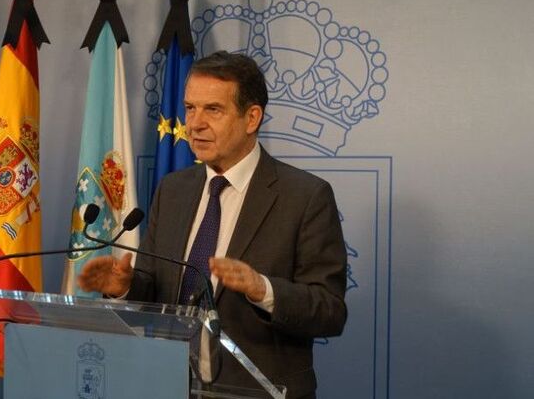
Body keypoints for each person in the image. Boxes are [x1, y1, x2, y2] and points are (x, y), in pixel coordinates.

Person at [78, 51, 347, 399]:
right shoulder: (173, 190)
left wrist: (262, 288)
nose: (195, 124)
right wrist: (125, 288)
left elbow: (330, 311)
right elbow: (155, 292)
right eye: (190, 108)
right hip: (169, 387)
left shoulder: (305, 197)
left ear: (252, 118)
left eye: (213, 110)